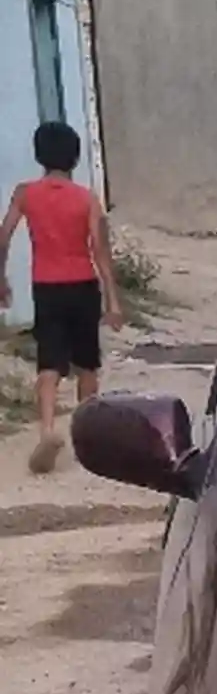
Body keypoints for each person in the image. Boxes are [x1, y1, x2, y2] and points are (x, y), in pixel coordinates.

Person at [0, 120, 124, 472]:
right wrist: (113, 301)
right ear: (75, 156)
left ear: (39, 155)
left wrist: (1, 279)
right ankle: (89, 437)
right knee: (87, 364)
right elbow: (99, 250)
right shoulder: (86, 199)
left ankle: (48, 430)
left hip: (47, 287)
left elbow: (4, 236)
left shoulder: (25, 193)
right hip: (82, 285)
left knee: (49, 363)